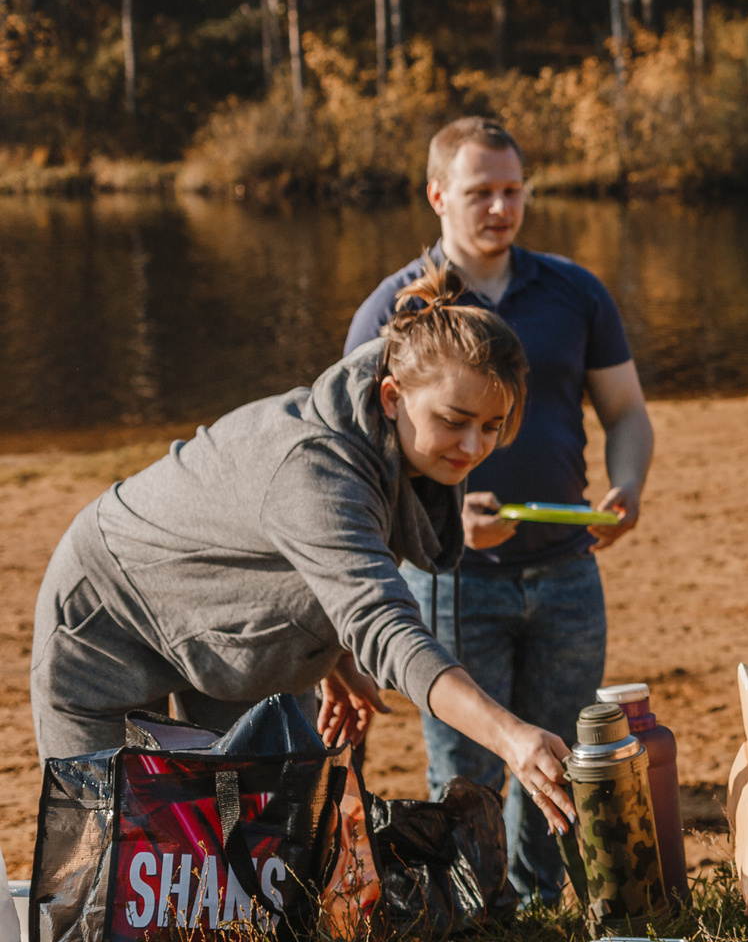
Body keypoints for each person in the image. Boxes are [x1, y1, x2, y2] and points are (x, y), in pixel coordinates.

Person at [29, 276, 577, 836]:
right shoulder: (315, 467)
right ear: (392, 396)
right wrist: (510, 735)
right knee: (108, 850)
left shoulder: (395, 449)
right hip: (104, 625)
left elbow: (302, 561)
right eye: (454, 421)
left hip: (225, 634)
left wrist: (331, 650)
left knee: (249, 846)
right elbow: (385, 627)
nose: (472, 447)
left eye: (491, 427)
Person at [344, 117, 654, 906]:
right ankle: (477, 916)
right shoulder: (393, 306)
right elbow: (358, 461)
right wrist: (444, 515)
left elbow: (625, 410)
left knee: (560, 758)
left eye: (513, 190)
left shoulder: (575, 291)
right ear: (438, 194)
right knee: (466, 772)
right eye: (481, 191)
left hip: (566, 574)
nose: (501, 207)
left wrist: (627, 485)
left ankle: (543, 905)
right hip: (449, 581)